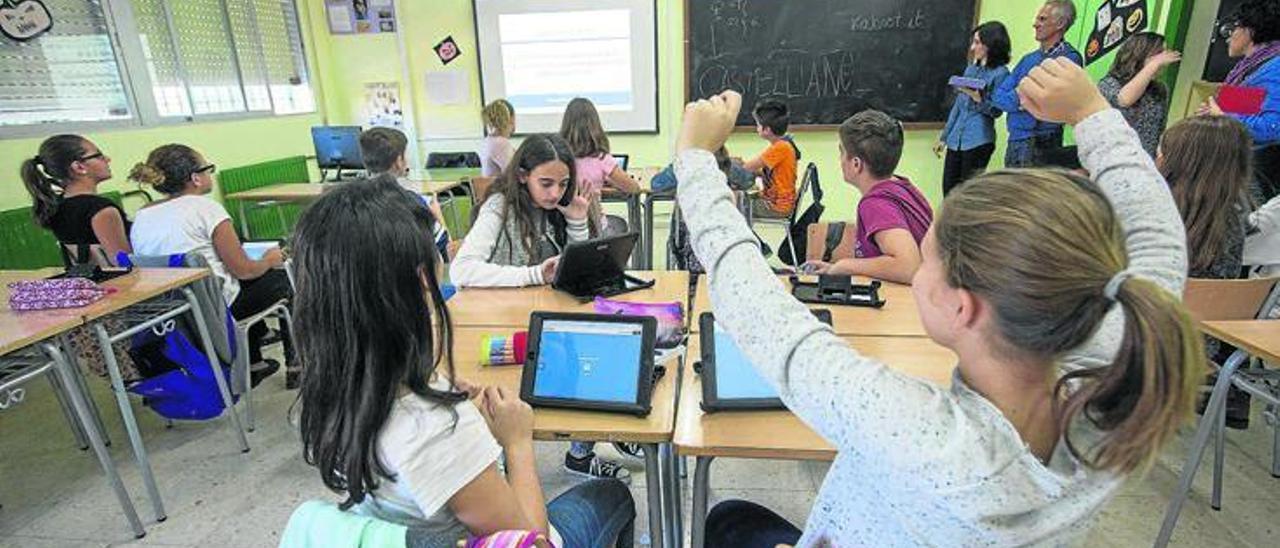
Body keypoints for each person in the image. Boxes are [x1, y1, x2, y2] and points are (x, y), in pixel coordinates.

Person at [677, 60, 1199, 545]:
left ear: (963, 307)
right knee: (734, 521)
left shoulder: (918, 429)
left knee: (727, 522)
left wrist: (696, 160)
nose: (917, 269)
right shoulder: (1111, 392)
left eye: (928, 262)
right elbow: (1158, 246)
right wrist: (1092, 113)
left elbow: (759, 312)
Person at [291, 178, 635, 547]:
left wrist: (442, 393)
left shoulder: (333, 391)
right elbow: (532, 543)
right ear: (423, 277)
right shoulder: (436, 430)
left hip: (414, 527)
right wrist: (516, 442)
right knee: (611, 494)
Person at [449, 134, 628, 482]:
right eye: (545, 183)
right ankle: (497, 463)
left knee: (592, 351)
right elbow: (462, 269)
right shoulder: (500, 207)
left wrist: (577, 218)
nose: (555, 193)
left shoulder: (558, 207)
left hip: (538, 318)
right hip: (496, 326)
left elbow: (577, 270)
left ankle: (580, 455)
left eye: (562, 184)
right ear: (521, 176)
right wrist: (533, 274)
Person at [128, 144, 294, 387]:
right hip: (215, 309)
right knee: (287, 278)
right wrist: (270, 259)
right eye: (208, 169)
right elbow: (244, 271)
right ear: (195, 178)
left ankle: (254, 363)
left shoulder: (142, 215)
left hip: (175, 315)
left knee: (245, 283)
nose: (210, 175)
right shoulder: (206, 208)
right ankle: (298, 366)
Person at [1159, 116, 1255, 429]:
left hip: (1144, 343)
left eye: (1163, 151)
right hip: (1200, 349)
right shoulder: (1236, 220)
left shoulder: (1159, 220)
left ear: (1179, 164)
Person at [801, 110, 933, 285]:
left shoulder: (875, 203)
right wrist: (832, 269)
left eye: (841, 152)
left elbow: (908, 267)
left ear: (856, 164)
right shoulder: (903, 187)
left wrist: (846, 266)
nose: (839, 160)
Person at [1199, 0, 1280, 201]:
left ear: (1250, 32)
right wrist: (1215, 112)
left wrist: (1223, 115)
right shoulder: (1252, 66)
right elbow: (1250, 110)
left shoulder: (1274, 68)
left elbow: (1273, 127)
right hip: (1237, 169)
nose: (1228, 36)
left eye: (1235, 27)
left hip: (1254, 179)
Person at [992, 0, 1083, 167]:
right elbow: (998, 97)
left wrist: (1020, 95)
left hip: (1043, 142)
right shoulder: (1028, 59)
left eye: (1042, 19)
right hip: (1016, 140)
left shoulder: (1070, 58)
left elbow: (1047, 99)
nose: (1035, 24)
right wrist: (1025, 98)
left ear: (1060, 23)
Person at [20, 135, 132, 263]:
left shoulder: (56, 205)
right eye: (98, 155)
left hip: (85, 281)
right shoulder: (101, 210)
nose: (107, 159)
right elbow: (122, 261)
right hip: (116, 282)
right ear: (79, 167)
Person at [935, 22, 1012, 195]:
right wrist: (944, 137)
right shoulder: (971, 69)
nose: (972, 47)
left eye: (977, 43)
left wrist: (978, 99)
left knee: (968, 195)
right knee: (948, 191)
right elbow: (958, 106)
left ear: (990, 45)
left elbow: (996, 111)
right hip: (957, 140)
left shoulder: (1001, 74)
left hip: (978, 140)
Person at [358, 126, 450, 257]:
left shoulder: (352, 202)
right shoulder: (413, 202)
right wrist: (438, 216)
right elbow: (442, 245)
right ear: (399, 161)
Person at [559, 97, 641, 232]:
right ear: (595, 125)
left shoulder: (557, 158)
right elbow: (634, 189)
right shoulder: (602, 159)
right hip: (594, 229)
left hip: (563, 228)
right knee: (619, 224)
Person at [1098, 32, 1180, 158]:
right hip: (1112, 160)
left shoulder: (1159, 89)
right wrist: (1152, 65)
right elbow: (1123, 101)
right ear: (1140, 54)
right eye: (1159, 54)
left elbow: (1159, 129)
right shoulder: (1109, 83)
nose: (1163, 61)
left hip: (1143, 163)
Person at [742, 99, 800, 218]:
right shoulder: (782, 145)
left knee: (735, 200)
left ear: (767, 130)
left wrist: (729, 165)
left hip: (776, 207)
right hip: (772, 201)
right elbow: (771, 173)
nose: (756, 127)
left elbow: (748, 167)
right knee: (741, 196)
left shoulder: (780, 147)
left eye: (758, 125)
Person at [479, 99, 516, 178]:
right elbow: (513, 173)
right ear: (511, 119)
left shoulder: (488, 141)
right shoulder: (500, 143)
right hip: (499, 189)